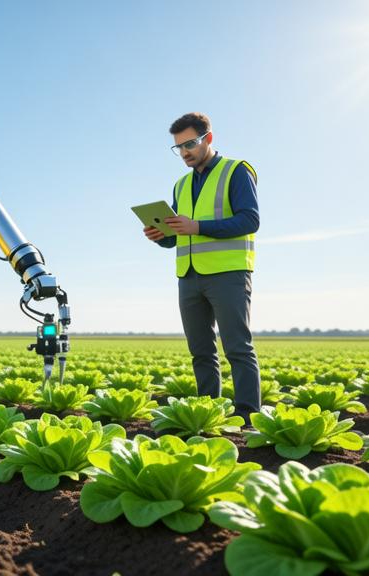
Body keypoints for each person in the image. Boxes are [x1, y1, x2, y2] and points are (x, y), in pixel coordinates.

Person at [143, 112, 261, 423]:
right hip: (189, 276)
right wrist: (160, 237)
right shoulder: (181, 185)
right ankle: (210, 414)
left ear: (208, 138)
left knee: (237, 347)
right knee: (201, 352)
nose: (185, 152)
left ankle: (248, 418)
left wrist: (196, 226)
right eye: (178, 147)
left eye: (190, 144)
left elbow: (250, 220)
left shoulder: (236, 171)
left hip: (228, 273)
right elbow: (179, 237)